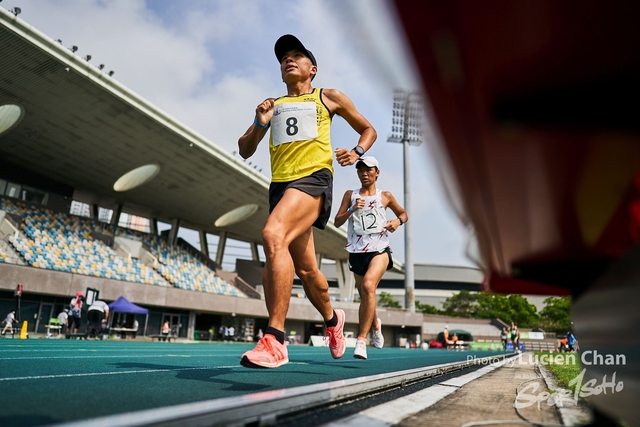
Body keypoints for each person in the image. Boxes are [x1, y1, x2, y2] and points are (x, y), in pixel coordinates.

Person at [237, 34, 377, 368]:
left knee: (273, 235)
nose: (288, 59)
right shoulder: (273, 106)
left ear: (312, 68)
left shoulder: (327, 96)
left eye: (297, 55)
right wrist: (259, 121)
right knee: (307, 269)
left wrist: (356, 151)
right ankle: (333, 320)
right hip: (282, 188)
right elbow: (244, 149)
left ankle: (275, 339)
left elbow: (368, 129)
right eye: (284, 57)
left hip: (314, 179)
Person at [334, 156, 407, 360]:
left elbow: (403, 214)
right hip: (357, 252)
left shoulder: (385, 196)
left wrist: (397, 222)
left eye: (368, 170)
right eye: (360, 170)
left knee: (368, 286)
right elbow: (337, 222)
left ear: (377, 172)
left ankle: (361, 341)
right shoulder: (350, 195)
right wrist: (351, 209)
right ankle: (375, 323)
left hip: (379, 250)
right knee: (366, 295)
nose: (364, 173)